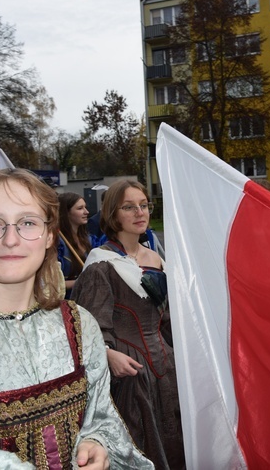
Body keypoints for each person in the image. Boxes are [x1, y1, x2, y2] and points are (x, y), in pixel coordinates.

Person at [0, 168, 153, 469]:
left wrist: (97, 443)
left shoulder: (79, 324)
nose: (11, 239)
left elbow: (101, 416)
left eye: (28, 223)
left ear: (48, 236)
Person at [72, 179, 185, 470]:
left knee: (175, 441)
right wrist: (109, 354)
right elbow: (87, 326)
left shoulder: (156, 259)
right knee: (141, 443)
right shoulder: (102, 264)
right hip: (129, 372)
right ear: (113, 214)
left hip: (165, 367)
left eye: (144, 205)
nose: (140, 212)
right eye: (129, 207)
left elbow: (169, 319)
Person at [58, 192, 92, 298]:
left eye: (85, 207)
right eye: (80, 208)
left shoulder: (89, 239)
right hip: (66, 303)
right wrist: (79, 282)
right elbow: (52, 284)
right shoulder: (58, 243)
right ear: (66, 212)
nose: (86, 212)